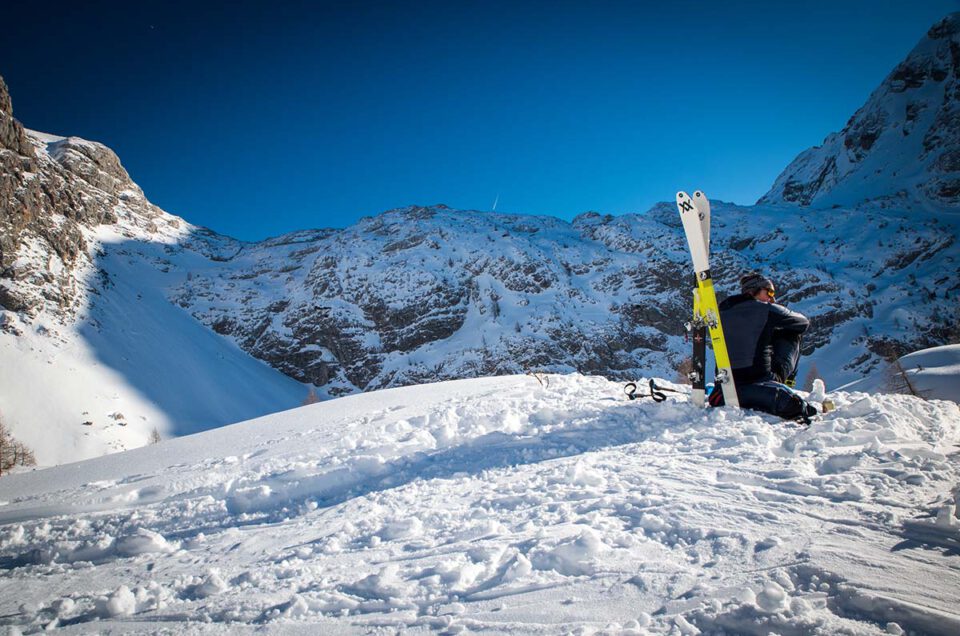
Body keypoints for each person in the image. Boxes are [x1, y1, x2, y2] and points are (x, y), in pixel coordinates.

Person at [708, 272, 818, 421]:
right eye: (769, 292)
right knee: (791, 332)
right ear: (754, 291)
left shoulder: (722, 309)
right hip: (761, 378)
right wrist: (776, 315)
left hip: (726, 382)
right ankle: (787, 382)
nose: (772, 298)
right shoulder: (766, 309)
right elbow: (803, 323)